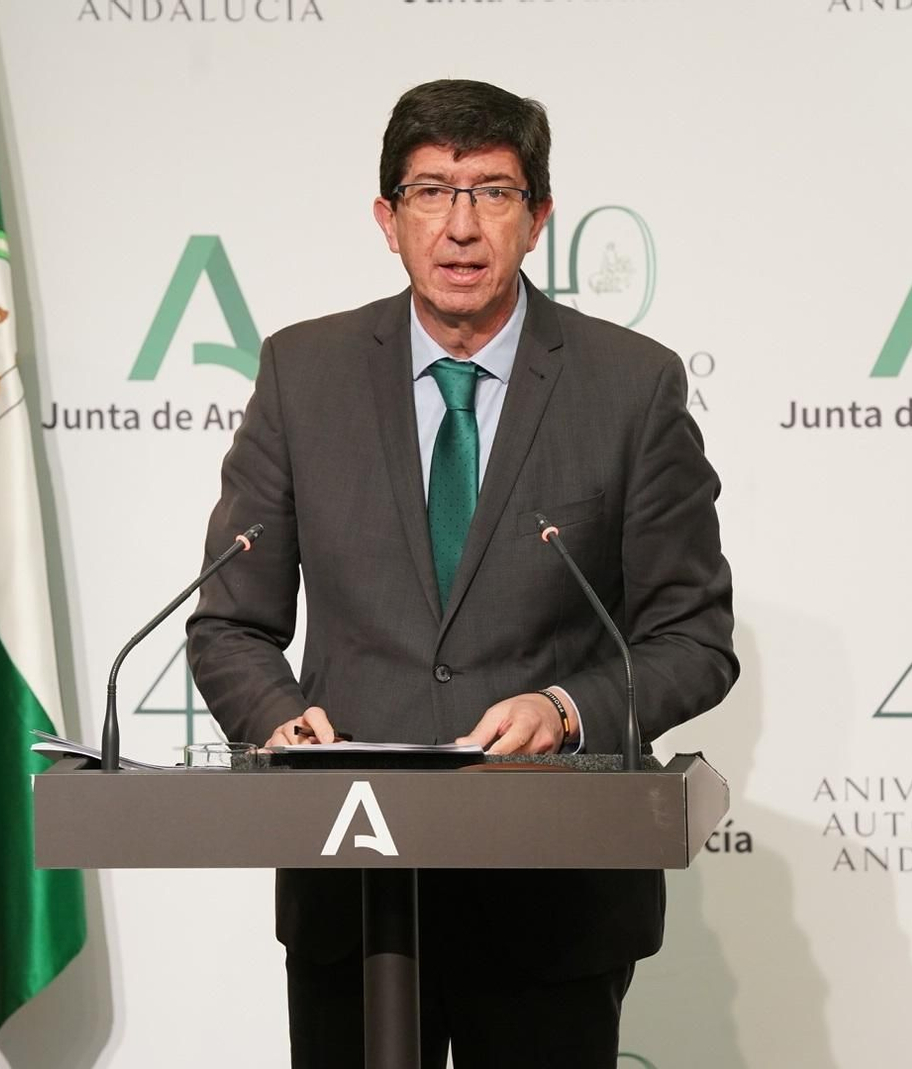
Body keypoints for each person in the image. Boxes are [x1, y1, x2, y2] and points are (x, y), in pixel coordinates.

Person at [185, 79, 737, 1069]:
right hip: (351, 890)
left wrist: (567, 708)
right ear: (386, 219)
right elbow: (229, 622)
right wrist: (276, 715)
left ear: (539, 218)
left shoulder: (630, 386)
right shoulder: (303, 374)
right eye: (432, 191)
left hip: (552, 899)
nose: (461, 225)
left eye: (493, 192)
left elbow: (692, 641)